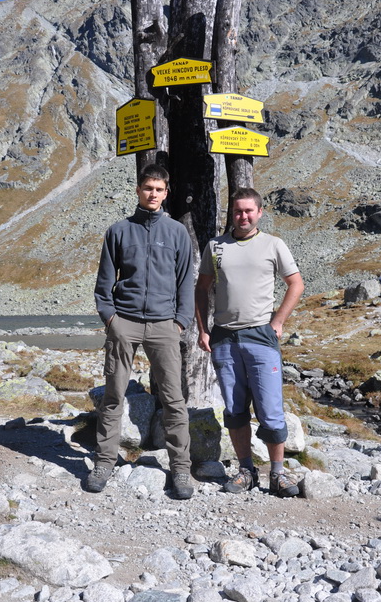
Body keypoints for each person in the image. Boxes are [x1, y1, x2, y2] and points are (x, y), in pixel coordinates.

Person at [87, 164, 194, 499]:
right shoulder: (119, 231)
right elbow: (104, 284)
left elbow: (185, 284)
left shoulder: (177, 232)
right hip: (125, 324)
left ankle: (181, 469)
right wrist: (111, 320)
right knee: (113, 395)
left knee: (174, 399)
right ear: (138, 190)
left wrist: (180, 322)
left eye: (159, 189)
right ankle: (104, 462)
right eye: (148, 188)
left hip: (165, 326)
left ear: (166, 193)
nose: (153, 194)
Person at [195, 187, 305, 498]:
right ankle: (247, 471)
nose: (242, 216)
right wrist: (204, 330)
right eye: (237, 211)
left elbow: (296, 284)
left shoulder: (273, 244)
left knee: (270, 409)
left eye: (248, 211)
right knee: (234, 409)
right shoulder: (216, 246)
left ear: (259, 212)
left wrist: (278, 322)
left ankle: (278, 473)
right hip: (224, 337)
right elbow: (201, 288)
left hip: (260, 335)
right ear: (232, 214)